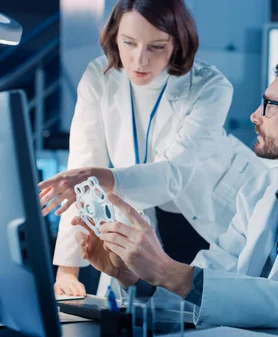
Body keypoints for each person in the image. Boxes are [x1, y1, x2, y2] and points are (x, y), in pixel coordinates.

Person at [73, 54, 278, 336]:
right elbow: (211, 284)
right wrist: (134, 277)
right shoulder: (262, 193)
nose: (255, 116)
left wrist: (164, 269)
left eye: (269, 106)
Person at [39, 0, 263, 297]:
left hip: (212, 213)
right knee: (137, 308)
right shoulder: (99, 76)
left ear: (178, 44)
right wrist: (68, 269)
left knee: (209, 305)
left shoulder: (211, 86)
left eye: (156, 47)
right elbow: (83, 165)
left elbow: (174, 175)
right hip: (146, 213)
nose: (139, 60)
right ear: (114, 36)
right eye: (129, 43)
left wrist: (104, 177)